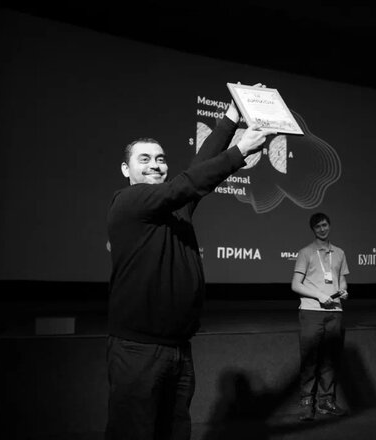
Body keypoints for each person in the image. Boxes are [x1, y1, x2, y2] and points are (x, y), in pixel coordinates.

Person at [105, 85, 276, 440]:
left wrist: (231, 117)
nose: (155, 165)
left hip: (178, 349)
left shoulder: (174, 206)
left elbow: (198, 169)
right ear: (125, 169)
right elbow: (186, 183)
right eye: (144, 159)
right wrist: (239, 151)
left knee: (175, 432)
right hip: (138, 351)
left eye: (160, 159)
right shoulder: (128, 201)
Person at [291, 212, 349, 421]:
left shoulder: (339, 253)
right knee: (310, 359)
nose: (322, 229)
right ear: (313, 230)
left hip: (335, 312)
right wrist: (319, 295)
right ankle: (307, 402)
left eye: (324, 225)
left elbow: (341, 280)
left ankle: (326, 401)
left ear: (329, 226)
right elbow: (295, 285)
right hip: (311, 312)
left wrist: (343, 290)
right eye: (318, 227)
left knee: (330, 359)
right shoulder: (305, 252)